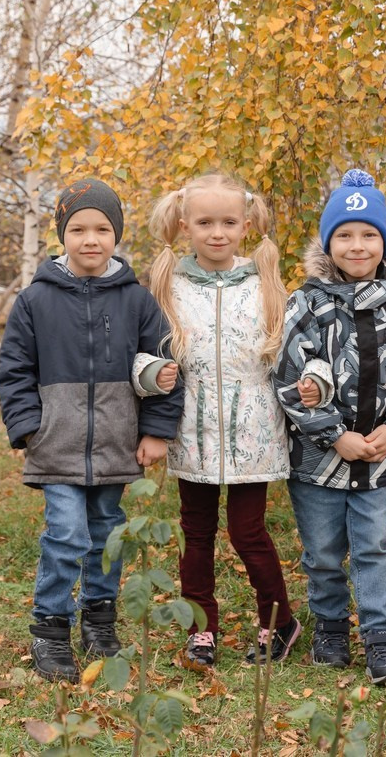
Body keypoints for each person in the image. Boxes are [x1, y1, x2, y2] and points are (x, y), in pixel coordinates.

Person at [0, 177, 184, 683]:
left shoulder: (138, 301)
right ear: (63, 234)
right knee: (66, 535)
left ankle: (99, 620)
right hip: (54, 444)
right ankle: (51, 627)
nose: (91, 239)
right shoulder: (34, 300)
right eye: (78, 228)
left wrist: (156, 431)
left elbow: (164, 366)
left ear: (116, 234)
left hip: (116, 442)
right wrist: (29, 428)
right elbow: (13, 369)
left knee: (106, 534)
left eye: (102, 228)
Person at [274, 168, 386, 687]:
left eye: (369, 234)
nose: (357, 244)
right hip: (318, 458)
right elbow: (285, 375)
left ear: (385, 243)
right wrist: (332, 434)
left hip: (379, 454)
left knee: (373, 547)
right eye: (344, 235)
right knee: (322, 551)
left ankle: (381, 639)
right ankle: (329, 628)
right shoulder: (307, 302)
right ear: (329, 244)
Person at [145, 173, 298, 669]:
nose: (217, 233)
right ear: (185, 224)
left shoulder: (265, 282)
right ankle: (202, 630)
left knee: (247, 531)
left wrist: (315, 384)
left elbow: (296, 353)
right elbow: (144, 350)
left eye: (229, 222)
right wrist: (151, 376)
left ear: (246, 224)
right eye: (205, 222)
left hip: (253, 430)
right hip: (192, 429)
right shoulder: (168, 283)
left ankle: (279, 622)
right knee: (197, 532)